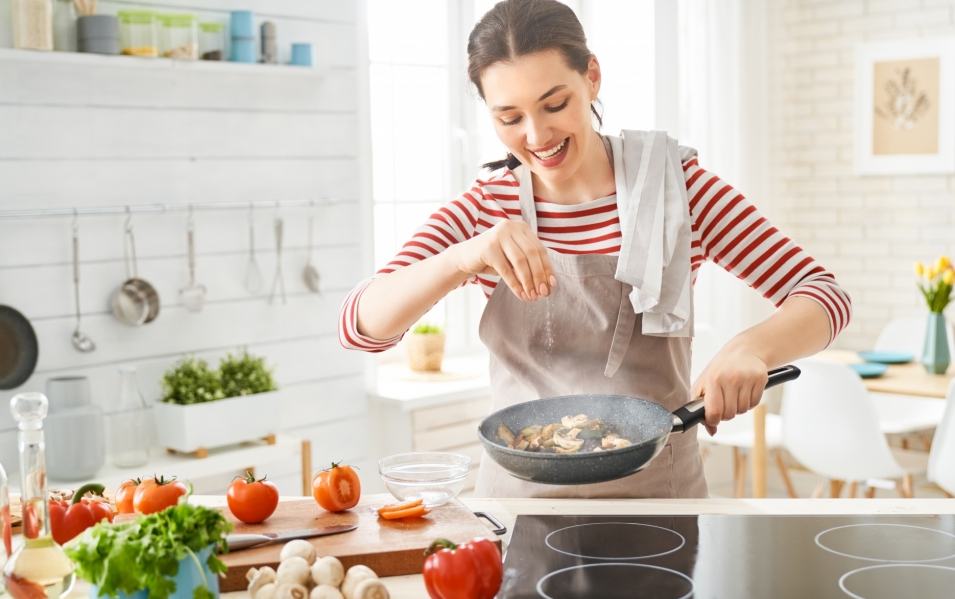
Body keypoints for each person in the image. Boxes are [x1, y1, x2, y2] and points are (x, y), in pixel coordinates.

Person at [340, 0, 851, 498]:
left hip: (657, 500)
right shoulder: (486, 209)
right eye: (509, 117)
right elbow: (359, 327)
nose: (537, 135)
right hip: (519, 505)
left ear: (592, 77)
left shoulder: (677, 190)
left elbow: (826, 296)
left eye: (554, 104)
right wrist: (463, 257)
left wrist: (752, 347)